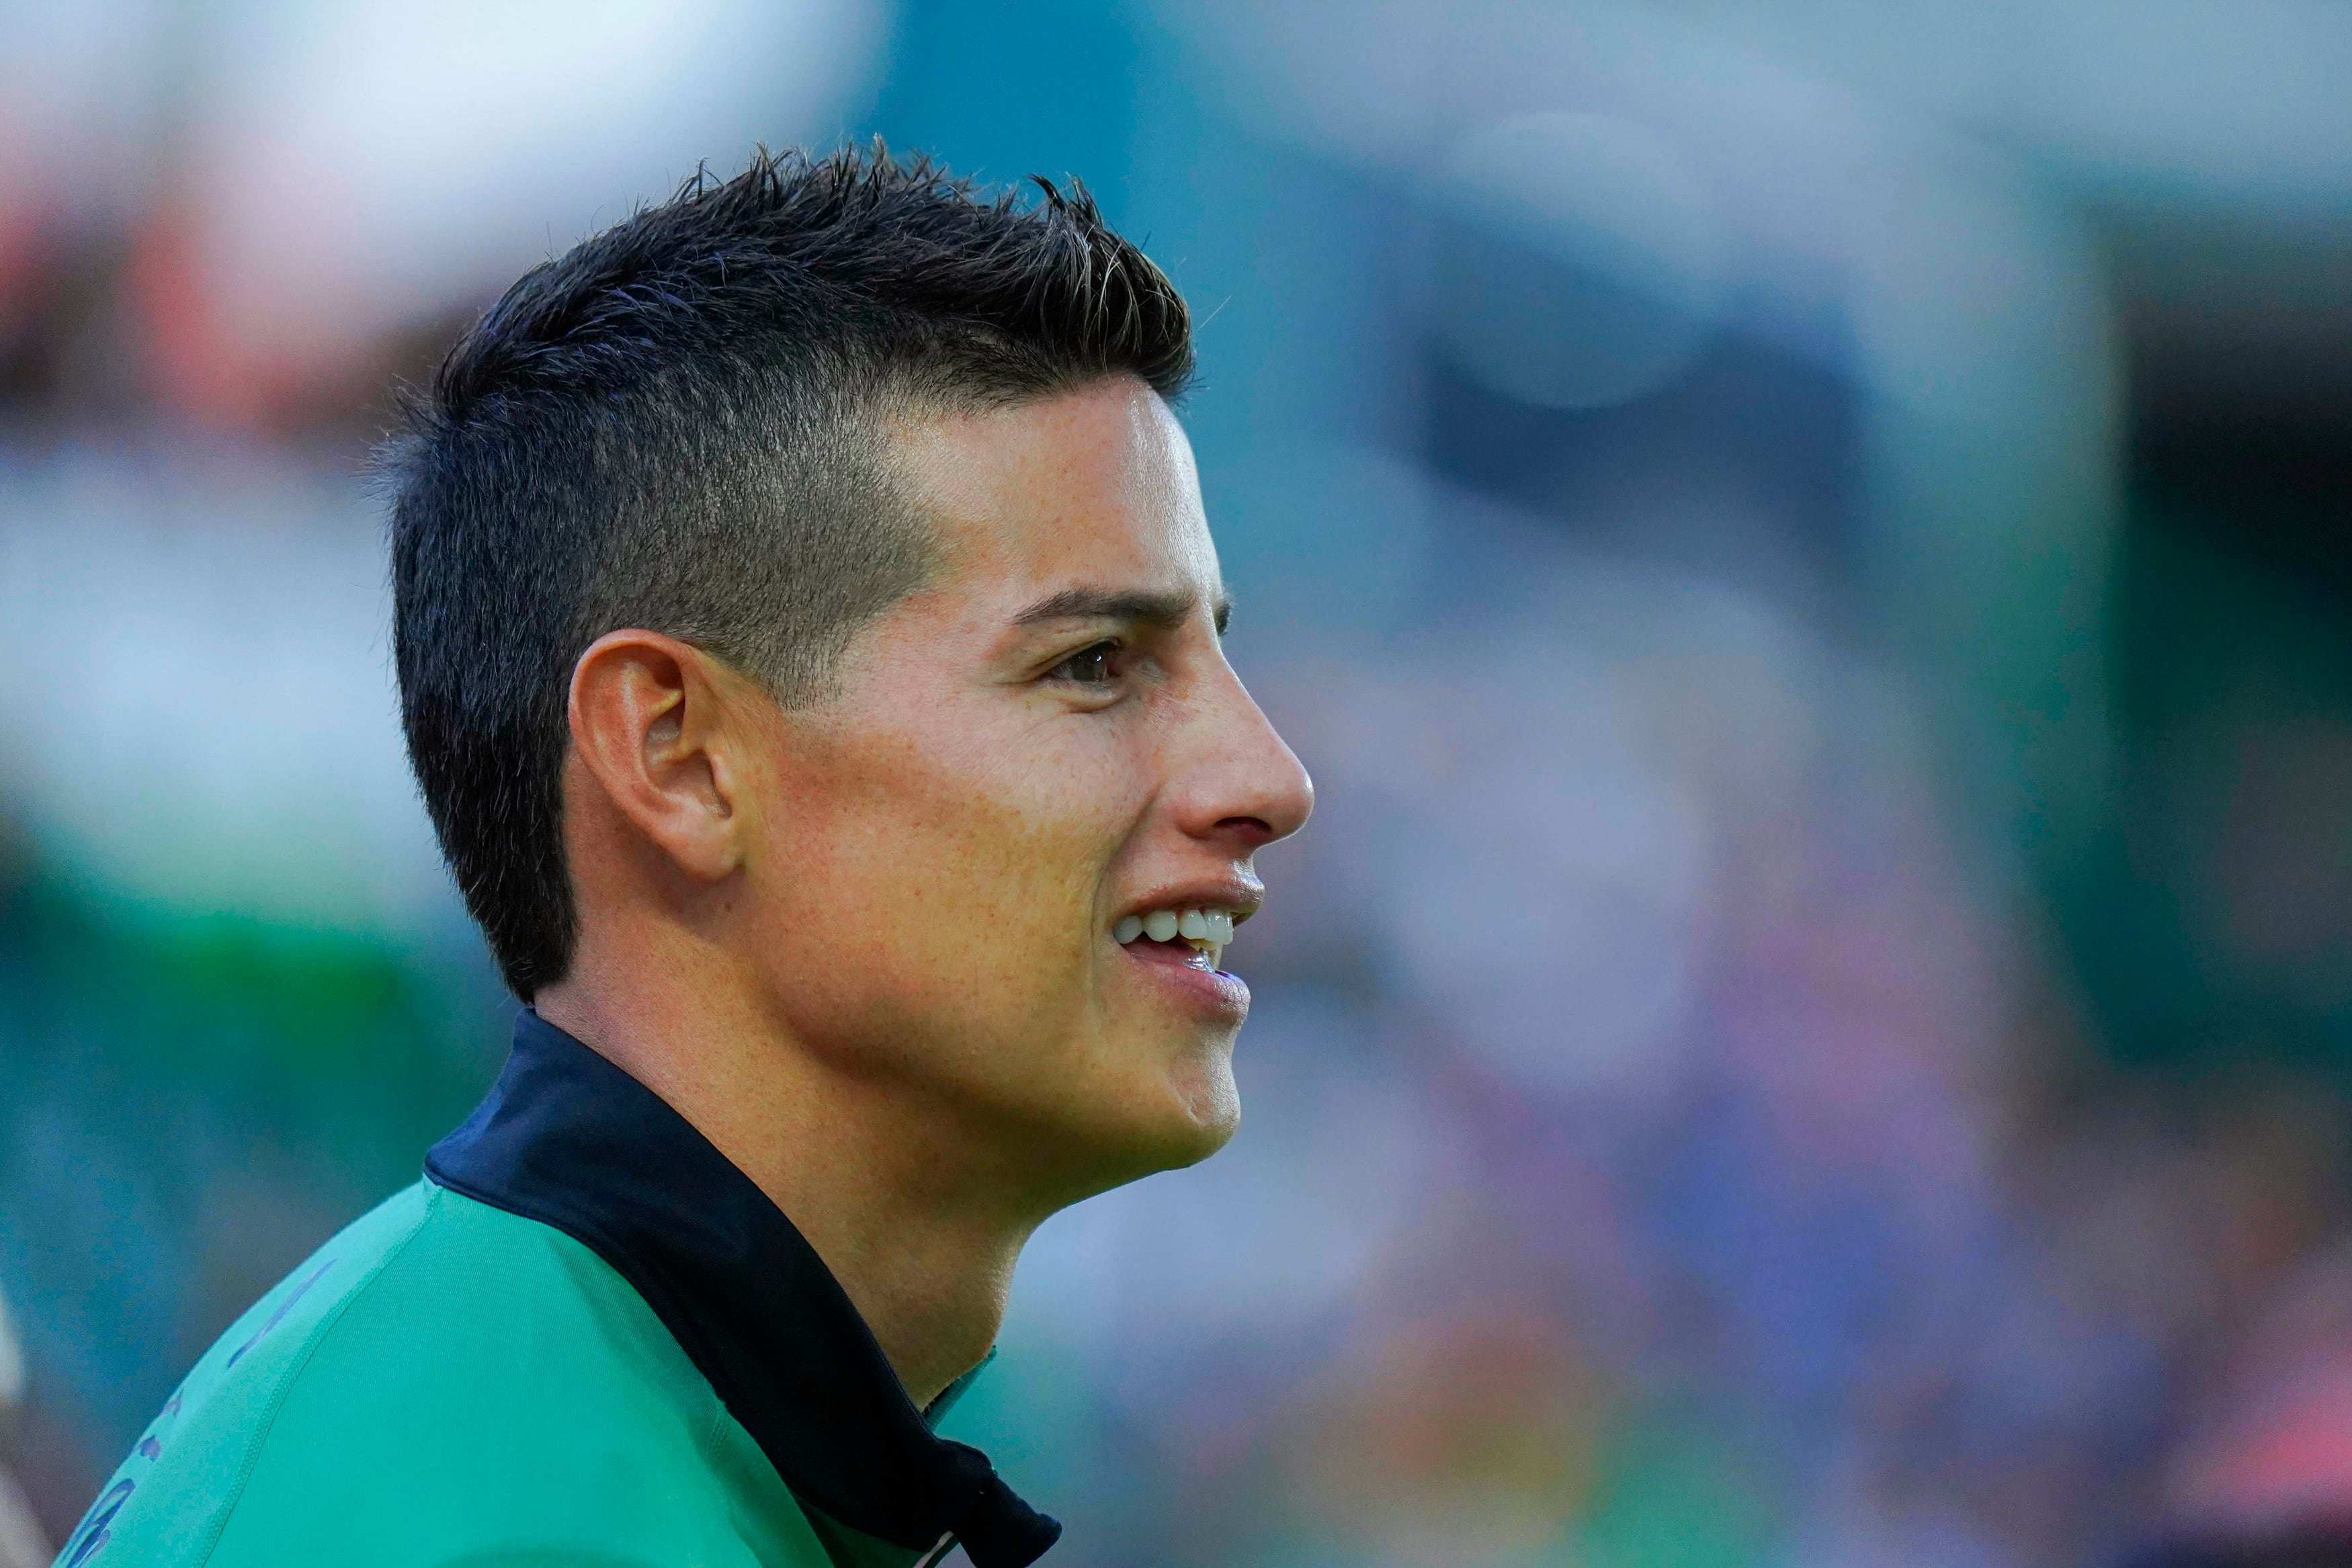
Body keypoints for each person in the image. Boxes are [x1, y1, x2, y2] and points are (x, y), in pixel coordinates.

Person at [56, 144, 1312, 1568]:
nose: (1267, 780)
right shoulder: (489, 1520)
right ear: (677, 756)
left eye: (1217, 650)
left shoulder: (560, 1405)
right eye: (1093, 664)